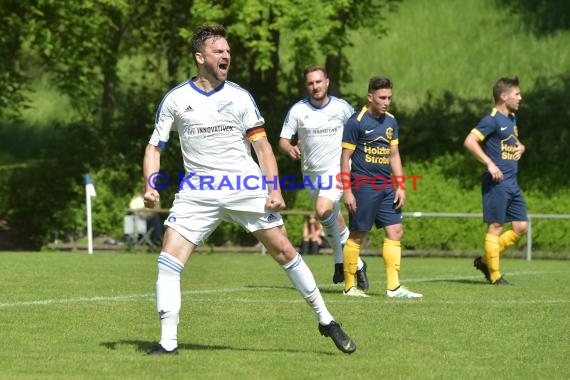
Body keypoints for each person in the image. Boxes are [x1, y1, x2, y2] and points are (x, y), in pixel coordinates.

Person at [142, 25, 355, 355]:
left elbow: (264, 148)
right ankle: (168, 342)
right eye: (219, 51)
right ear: (200, 57)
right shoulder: (176, 99)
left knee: (284, 251)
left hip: (244, 186)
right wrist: (152, 185)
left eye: (228, 50)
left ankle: (326, 320)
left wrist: (274, 189)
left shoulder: (240, 97)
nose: (226, 55)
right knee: (168, 259)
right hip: (198, 190)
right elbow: (155, 147)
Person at [279, 64, 369, 290]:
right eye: (310, 83)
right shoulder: (298, 110)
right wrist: (289, 148)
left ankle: (350, 262)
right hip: (310, 173)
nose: (315, 86)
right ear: (306, 85)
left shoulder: (341, 108)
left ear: (327, 82)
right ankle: (348, 262)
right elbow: (282, 140)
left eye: (319, 82)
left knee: (322, 209)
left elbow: (359, 131)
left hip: (337, 169)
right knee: (329, 218)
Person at [340, 76, 423, 298]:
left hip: (387, 186)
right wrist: (347, 190)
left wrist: (401, 185)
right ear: (370, 97)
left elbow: (394, 155)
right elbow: (344, 158)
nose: (387, 102)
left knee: (396, 230)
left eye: (389, 98)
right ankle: (350, 286)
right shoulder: (355, 121)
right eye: (382, 98)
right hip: (363, 186)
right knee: (358, 234)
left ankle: (394, 287)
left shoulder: (391, 121)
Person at [463, 76, 528, 285]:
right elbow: (470, 141)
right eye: (517, 94)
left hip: (512, 183)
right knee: (496, 227)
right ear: (504, 96)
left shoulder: (511, 119)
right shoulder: (491, 119)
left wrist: (521, 146)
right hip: (497, 183)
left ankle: (484, 260)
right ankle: (495, 275)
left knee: (521, 227)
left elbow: (512, 140)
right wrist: (489, 164)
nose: (520, 98)